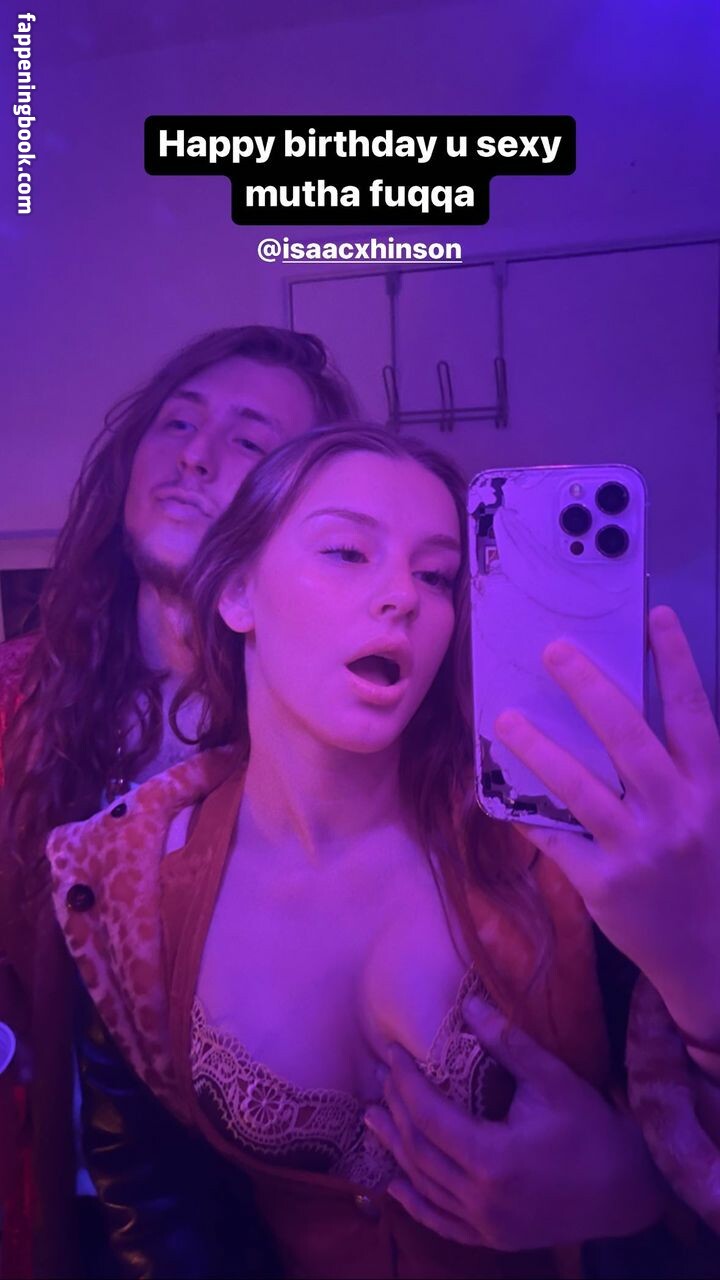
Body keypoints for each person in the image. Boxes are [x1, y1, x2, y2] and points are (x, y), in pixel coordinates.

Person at [42, 425, 664, 1279]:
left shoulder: (550, 847)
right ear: (237, 593)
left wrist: (637, 1190)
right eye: (346, 552)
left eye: (437, 575)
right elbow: (156, 1207)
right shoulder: (125, 892)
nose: (403, 596)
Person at [0, 325, 357, 1279]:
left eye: (248, 441)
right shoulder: (15, 698)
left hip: (276, 1226)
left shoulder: (340, 732)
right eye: (177, 422)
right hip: (53, 1213)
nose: (196, 455)